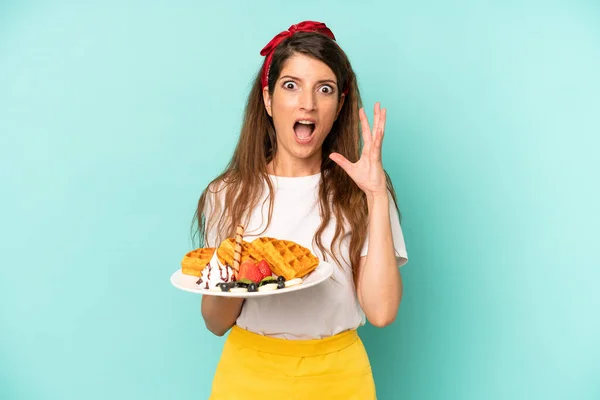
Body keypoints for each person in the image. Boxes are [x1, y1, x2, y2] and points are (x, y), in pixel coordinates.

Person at [193, 20, 408, 399]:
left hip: (339, 378)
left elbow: (382, 312)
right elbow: (215, 323)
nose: (307, 103)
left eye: (324, 89)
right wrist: (234, 262)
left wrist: (375, 196)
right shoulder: (228, 194)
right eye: (291, 86)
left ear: (339, 105)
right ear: (267, 98)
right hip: (248, 377)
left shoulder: (362, 190)